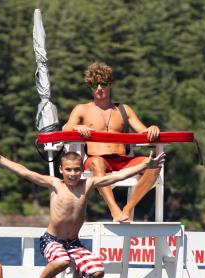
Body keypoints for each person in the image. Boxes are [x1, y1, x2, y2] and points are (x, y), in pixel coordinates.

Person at [0, 144, 165, 278]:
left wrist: (143, 166)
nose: (73, 174)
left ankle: (76, 268)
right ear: (61, 170)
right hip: (52, 240)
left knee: (98, 273)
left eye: (76, 170)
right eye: (68, 170)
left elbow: (118, 175)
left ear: (82, 171)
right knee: (61, 262)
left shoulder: (89, 184)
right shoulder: (55, 184)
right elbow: (27, 173)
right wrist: (0, 160)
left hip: (73, 243)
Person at [63, 61, 161, 222]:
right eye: (95, 84)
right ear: (90, 87)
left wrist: (153, 128)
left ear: (110, 84)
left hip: (123, 160)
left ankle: (128, 208)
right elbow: (64, 133)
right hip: (97, 159)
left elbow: (143, 131)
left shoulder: (124, 109)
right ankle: (114, 209)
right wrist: (77, 128)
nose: (99, 87)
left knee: (155, 163)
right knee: (98, 163)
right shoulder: (82, 109)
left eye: (103, 83)